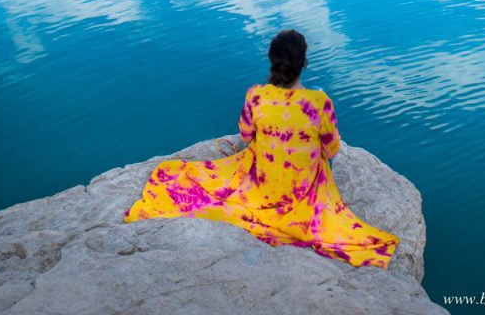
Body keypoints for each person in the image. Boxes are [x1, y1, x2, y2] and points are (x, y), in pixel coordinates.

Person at [123, 30, 399, 268]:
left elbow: (245, 134)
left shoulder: (256, 94)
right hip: (302, 190)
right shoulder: (319, 101)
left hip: (263, 182)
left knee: (194, 176)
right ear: (304, 63)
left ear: (272, 61)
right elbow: (333, 149)